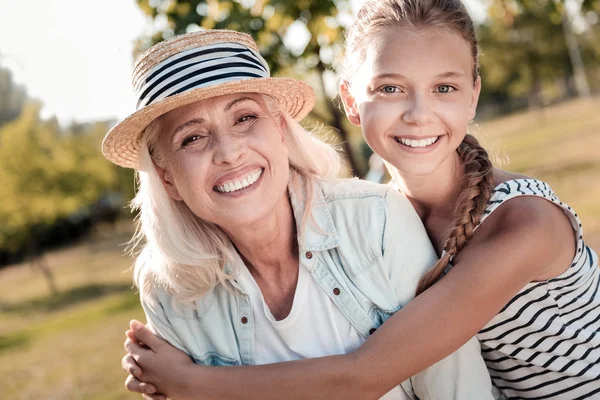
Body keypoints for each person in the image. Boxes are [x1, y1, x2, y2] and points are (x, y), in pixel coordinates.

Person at [122, 1, 600, 399]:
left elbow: (367, 373)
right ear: (350, 100)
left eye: (445, 88)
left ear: (473, 97)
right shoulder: (382, 217)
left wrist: (193, 382)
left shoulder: (524, 222)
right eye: (390, 88)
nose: (417, 113)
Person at [105, 29, 494, 400]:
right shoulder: (170, 291)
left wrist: (191, 382)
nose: (228, 152)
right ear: (166, 177)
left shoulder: (376, 220)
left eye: (244, 118)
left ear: (279, 129)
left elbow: (457, 388)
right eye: (192, 138)